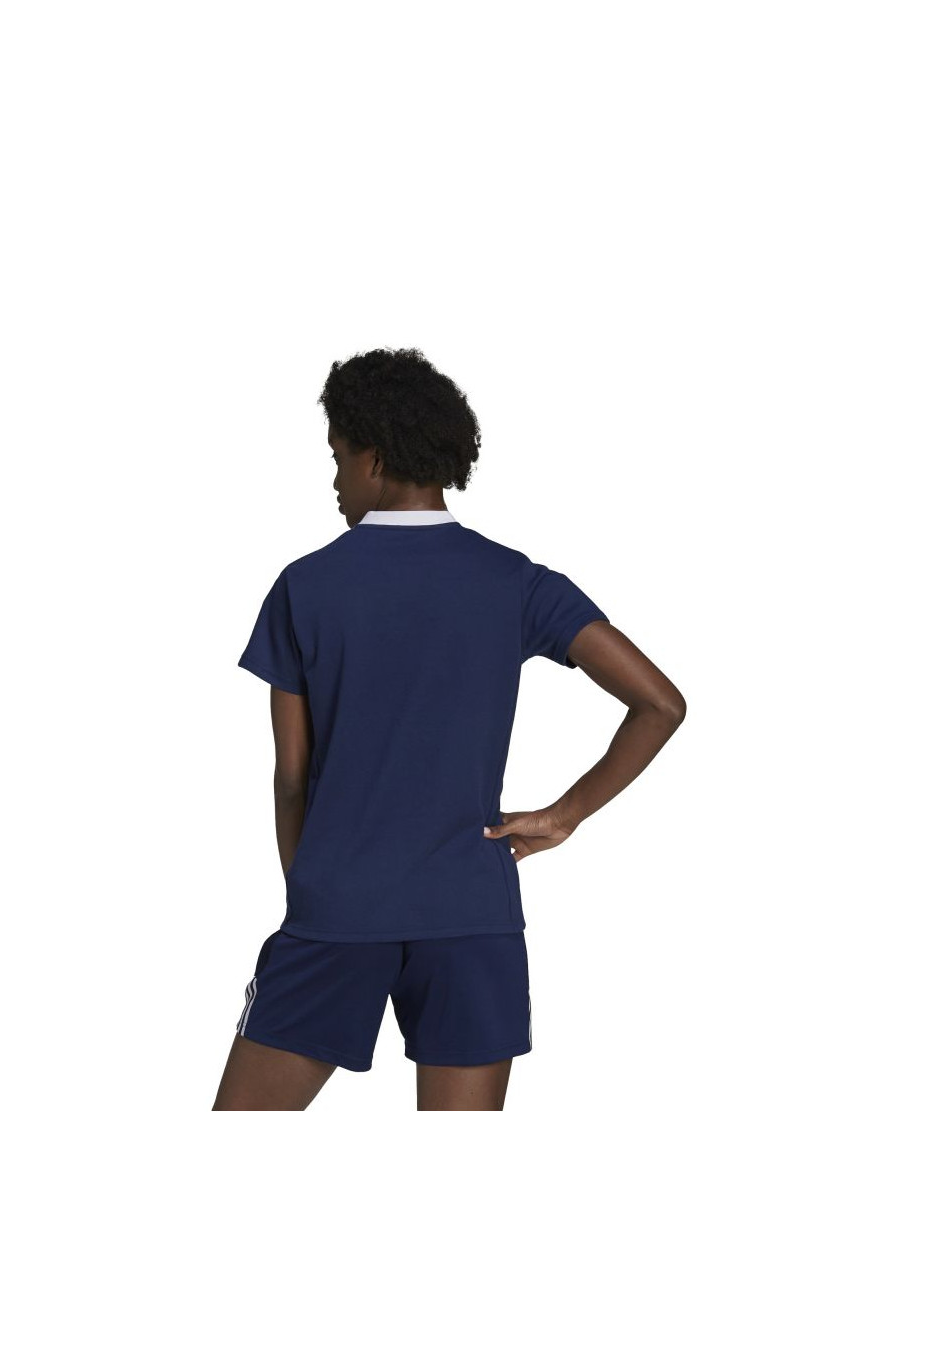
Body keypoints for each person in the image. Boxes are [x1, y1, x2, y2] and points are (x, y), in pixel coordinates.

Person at [212, 347, 686, 1111]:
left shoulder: (305, 586)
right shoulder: (518, 581)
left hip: (339, 908)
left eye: (336, 459)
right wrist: (564, 815)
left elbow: (291, 776)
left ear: (373, 458)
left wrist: (314, 892)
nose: (334, 481)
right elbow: (660, 704)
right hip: (472, 913)